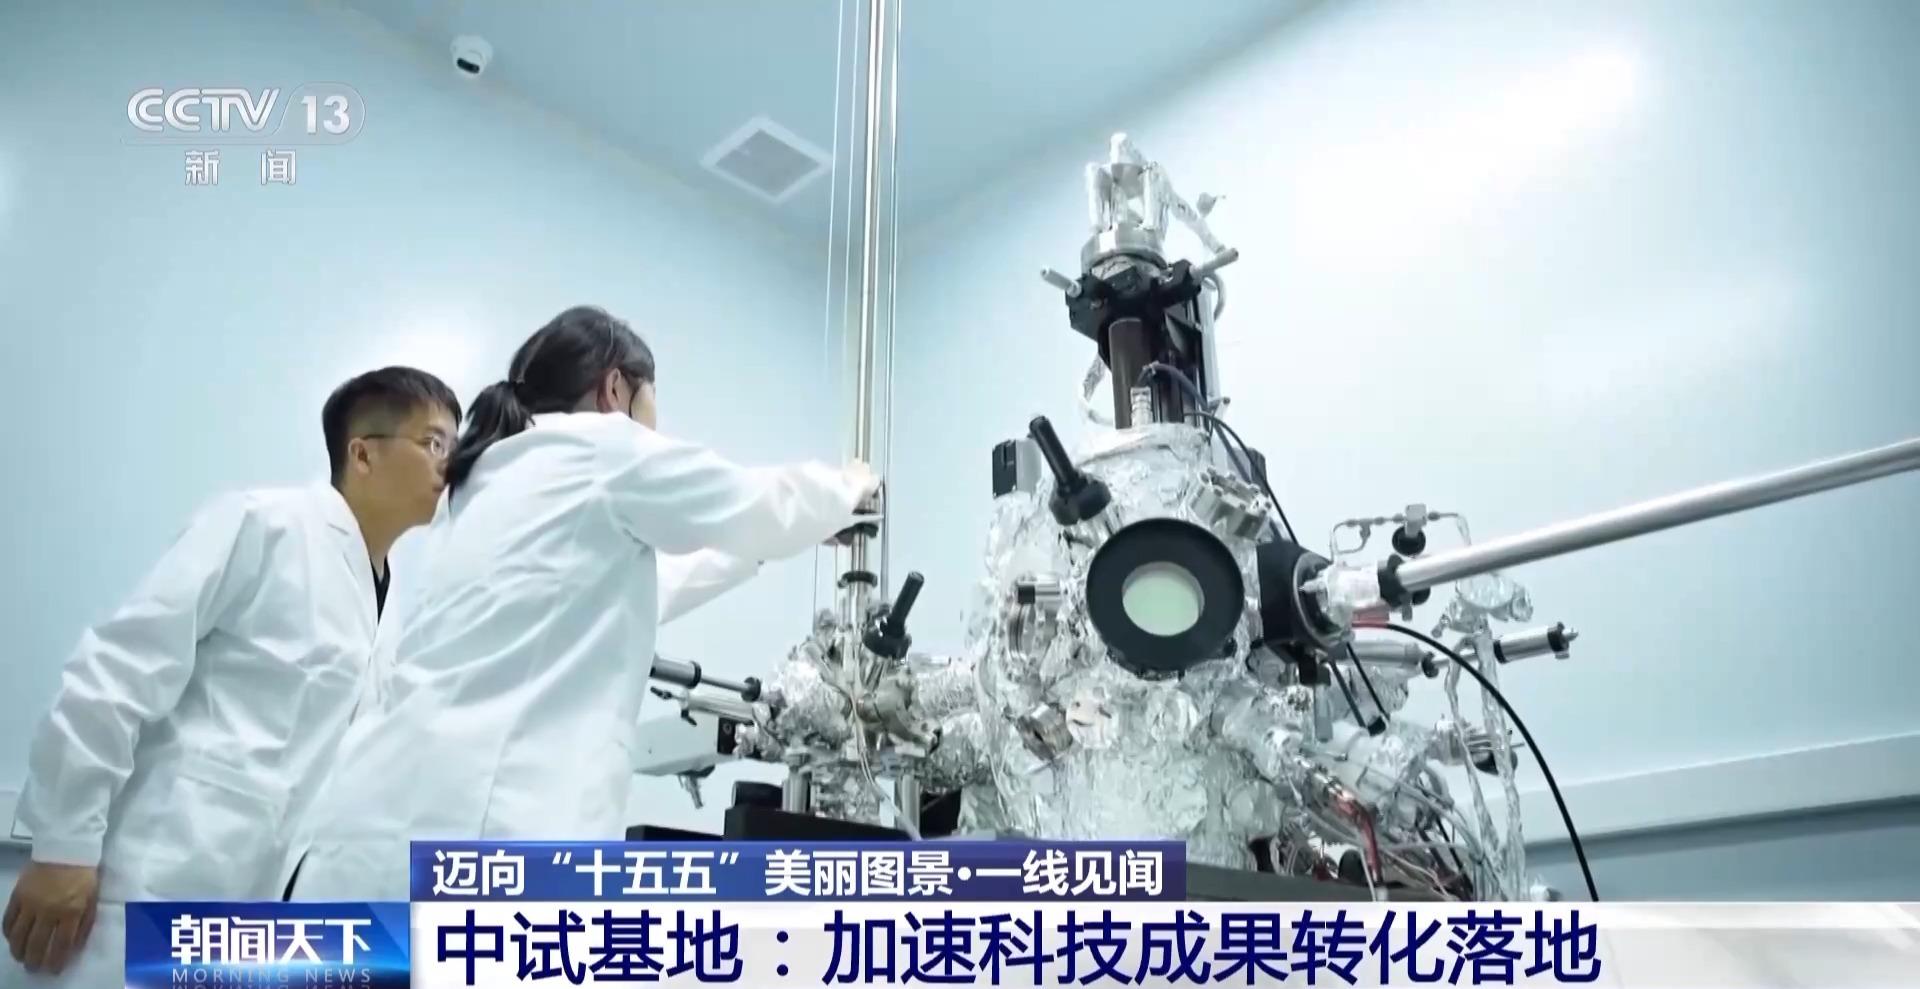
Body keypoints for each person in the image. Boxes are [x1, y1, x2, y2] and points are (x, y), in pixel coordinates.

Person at [286, 306, 878, 901]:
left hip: (367, 834)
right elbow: (755, 504)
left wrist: (771, 544)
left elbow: (629, 589)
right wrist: (847, 487)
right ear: (615, 388)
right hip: (483, 837)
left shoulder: (485, 482)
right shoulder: (602, 447)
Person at [1, 367, 462, 985]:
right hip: (151, 885)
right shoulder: (263, 524)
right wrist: (63, 846)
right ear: (363, 454)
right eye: (433, 442)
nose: (450, 464)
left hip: (259, 924)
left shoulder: (391, 602)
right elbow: (118, 671)